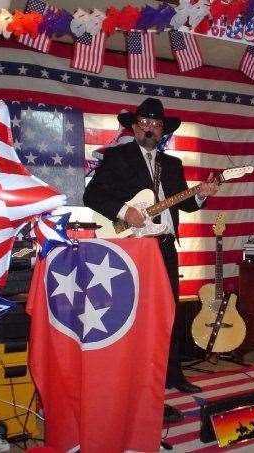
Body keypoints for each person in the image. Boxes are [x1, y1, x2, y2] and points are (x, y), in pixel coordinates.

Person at [83, 98, 219, 420]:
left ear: (162, 131)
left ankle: (173, 375)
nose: (149, 128)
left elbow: (186, 205)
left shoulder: (172, 165)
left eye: (156, 124)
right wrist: (123, 210)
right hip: (134, 248)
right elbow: (92, 196)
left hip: (166, 246)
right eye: (144, 122)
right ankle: (133, 380)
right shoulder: (118, 157)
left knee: (169, 311)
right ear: (133, 127)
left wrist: (202, 193)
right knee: (136, 315)